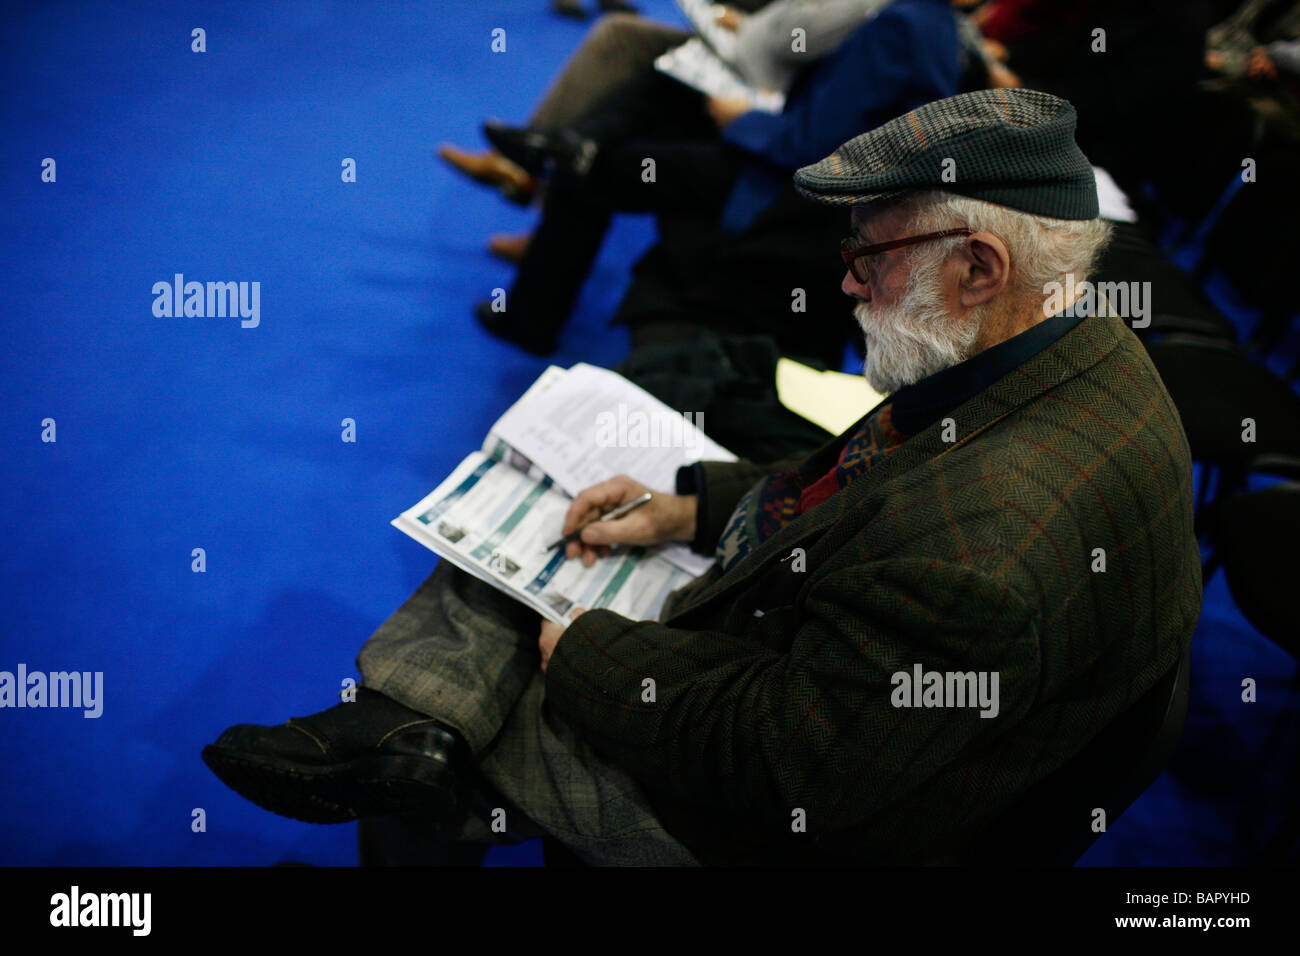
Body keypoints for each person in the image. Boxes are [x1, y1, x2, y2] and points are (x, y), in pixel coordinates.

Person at [202, 88, 1203, 866]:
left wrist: (588, 650)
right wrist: (694, 506)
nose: (847, 278)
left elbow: (789, 768)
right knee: (565, 520)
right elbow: (873, 479)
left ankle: (412, 733)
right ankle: (413, 725)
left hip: (815, 826)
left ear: (980, 267)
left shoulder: (981, 546)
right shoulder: (1061, 333)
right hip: (875, 696)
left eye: (870, 251)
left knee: (483, 706)